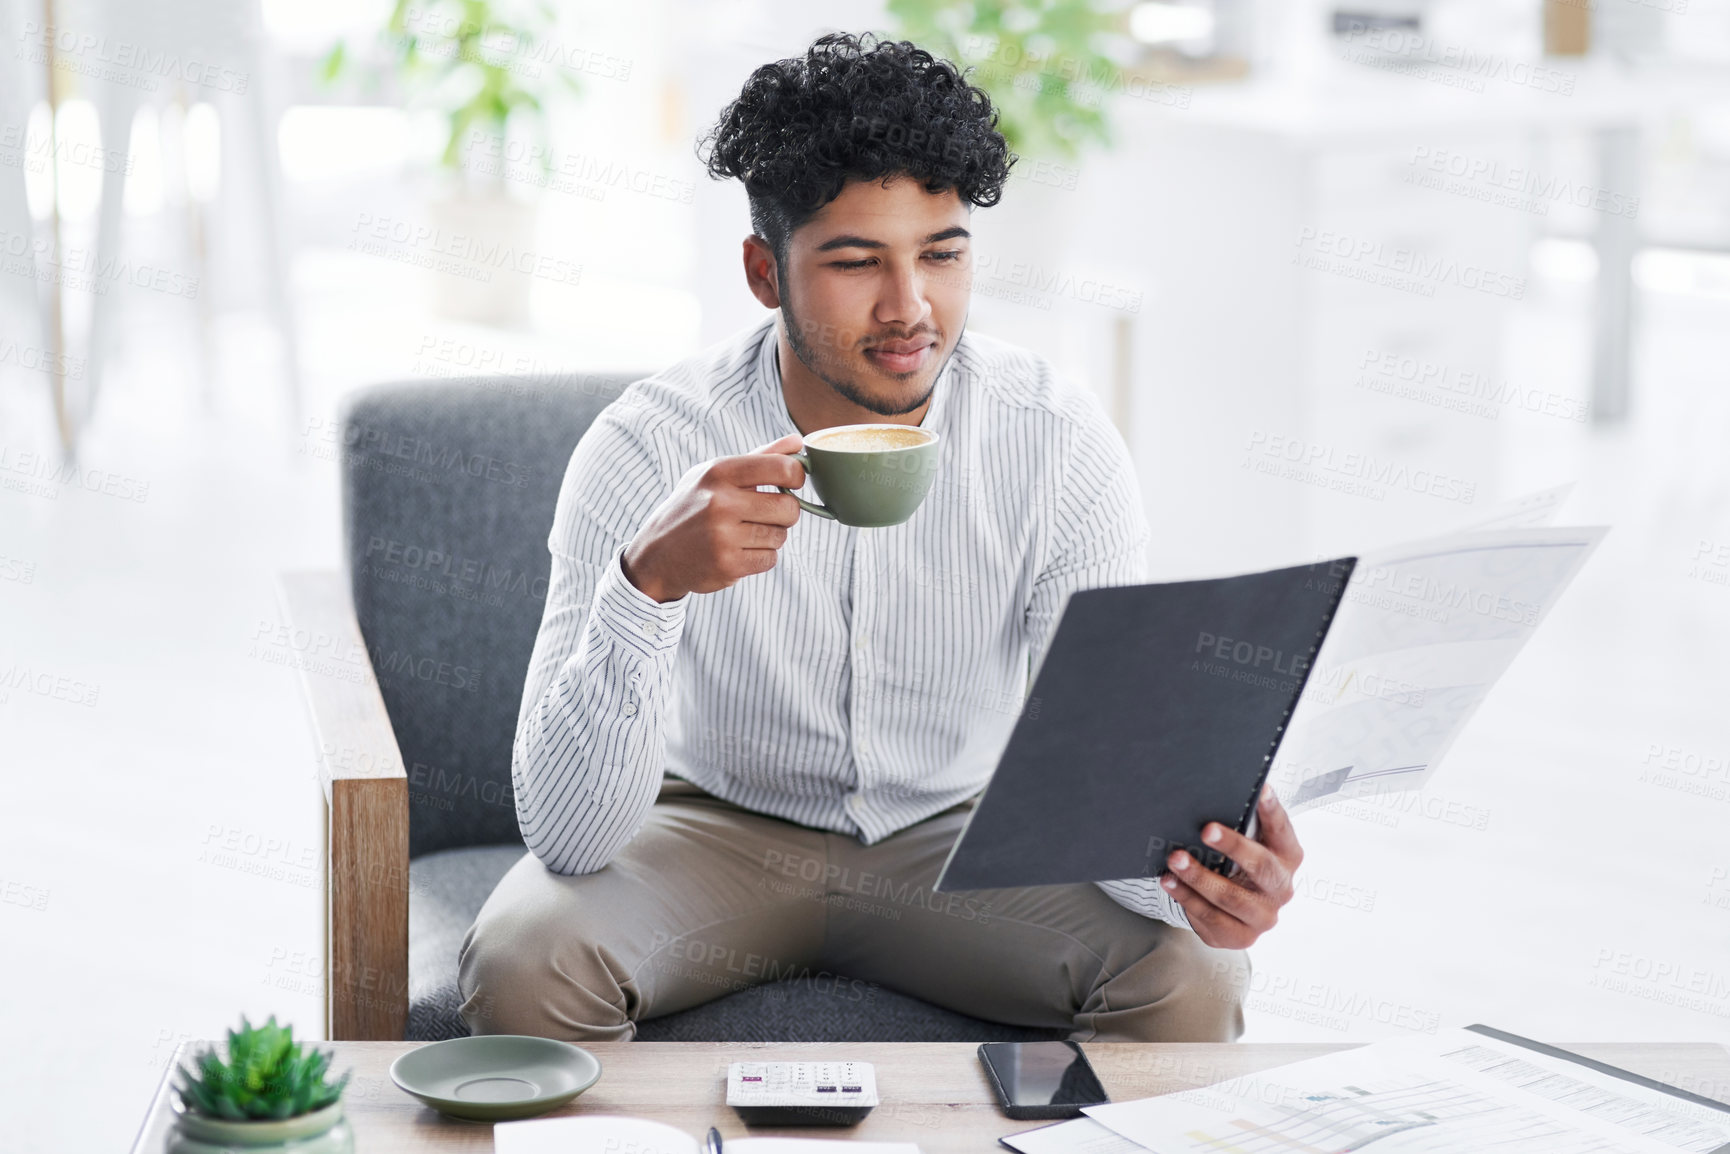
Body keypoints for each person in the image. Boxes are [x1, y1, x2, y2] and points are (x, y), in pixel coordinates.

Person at [459, 31, 1302, 1043]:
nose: (910, 309)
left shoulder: (1054, 440)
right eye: (856, 262)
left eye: (941, 255)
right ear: (763, 273)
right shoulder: (647, 446)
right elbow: (568, 834)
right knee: (523, 959)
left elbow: (1104, 776)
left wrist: (1206, 882)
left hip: (964, 833)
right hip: (715, 825)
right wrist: (646, 585)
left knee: (1195, 970)